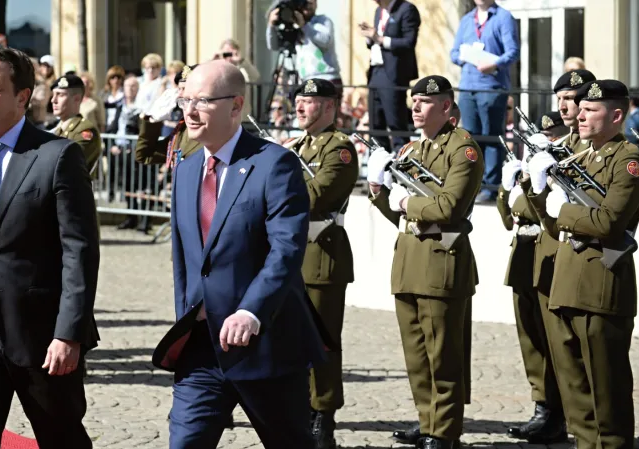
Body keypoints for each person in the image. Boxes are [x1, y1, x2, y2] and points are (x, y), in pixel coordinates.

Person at [151, 60, 328, 448]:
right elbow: (185, 260)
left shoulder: (273, 164)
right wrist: (187, 314)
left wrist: (251, 311)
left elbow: (286, 249)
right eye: (185, 100)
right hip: (201, 348)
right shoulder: (186, 168)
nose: (190, 111)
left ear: (236, 106)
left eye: (202, 101)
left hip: (266, 345)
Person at [0, 46, 100, 448]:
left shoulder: (57, 155)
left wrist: (69, 333)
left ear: (22, 97)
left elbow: (80, 251)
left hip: (40, 335)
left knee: (61, 438)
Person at [524, 79, 639, 449]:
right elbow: (552, 221)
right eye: (581, 109)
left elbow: (609, 223)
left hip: (601, 284)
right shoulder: (581, 156)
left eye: (591, 110)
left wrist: (563, 208)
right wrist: (537, 188)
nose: (580, 115)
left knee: (605, 392)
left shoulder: (627, 162)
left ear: (617, 115)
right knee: (575, 391)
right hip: (566, 279)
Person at [366, 75, 483, 449]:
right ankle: (427, 420)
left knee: (443, 355)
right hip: (409, 261)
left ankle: (444, 432)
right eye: (413, 101)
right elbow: (401, 217)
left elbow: (448, 208)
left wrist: (405, 202)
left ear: (446, 107)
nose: (415, 108)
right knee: (417, 354)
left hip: (441, 262)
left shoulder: (462, 150)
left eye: (424, 102)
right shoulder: (413, 152)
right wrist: (378, 191)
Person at [286, 78, 357, 449]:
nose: (299, 106)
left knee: (323, 341)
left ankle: (323, 415)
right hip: (291, 256)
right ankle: (299, 407)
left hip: (321, 252)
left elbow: (314, 196)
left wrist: (282, 174)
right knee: (292, 339)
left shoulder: (340, 149)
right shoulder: (297, 146)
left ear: (329, 107)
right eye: (298, 100)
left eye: (309, 101)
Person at [495, 109, 568, 444]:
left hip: (547, 250)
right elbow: (510, 216)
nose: (546, 142)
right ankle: (542, 406)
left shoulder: (561, 162)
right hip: (523, 251)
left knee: (552, 337)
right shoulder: (534, 165)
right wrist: (508, 184)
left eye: (552, 136)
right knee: (530, 338)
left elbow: (540, 208)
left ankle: (559, 411)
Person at [450, 0, 519, 202]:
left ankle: (490, 187)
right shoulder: (466, 20)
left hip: (492, 87)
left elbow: (512, 51)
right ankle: (473, 185)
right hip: (467, 87)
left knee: (491, 138)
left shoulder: (503, 17)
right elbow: (454, 53)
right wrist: (464, 56)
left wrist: (494, 63)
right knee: (470, 139)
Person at [359, 0, 420, 151]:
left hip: (393, 74)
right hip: (375, 72)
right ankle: (382, 167)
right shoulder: (378, 11)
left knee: (396, 123)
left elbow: (408, 42)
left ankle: (404, 167)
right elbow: (374, 43)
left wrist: (379, 38)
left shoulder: (407, 9)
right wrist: (369, 37)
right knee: (375, 125)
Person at [266, 0, 342, 86]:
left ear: (316, 4)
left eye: (310, 3)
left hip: (326, 79)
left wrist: (304, 25)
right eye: (304, 3)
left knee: (313, 98)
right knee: (305, 98)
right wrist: (271, 25)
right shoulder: (296, 27)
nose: (307, 6)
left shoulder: (322, 21)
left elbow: (325, 41)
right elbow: (274, 46)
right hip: (307, 80)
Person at [50, 74, 102, 176]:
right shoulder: (57, 130)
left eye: (60, 95)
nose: (53, 100)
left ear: (77, 99)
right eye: (53, 94)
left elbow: (67, 164)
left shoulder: (85, 130)